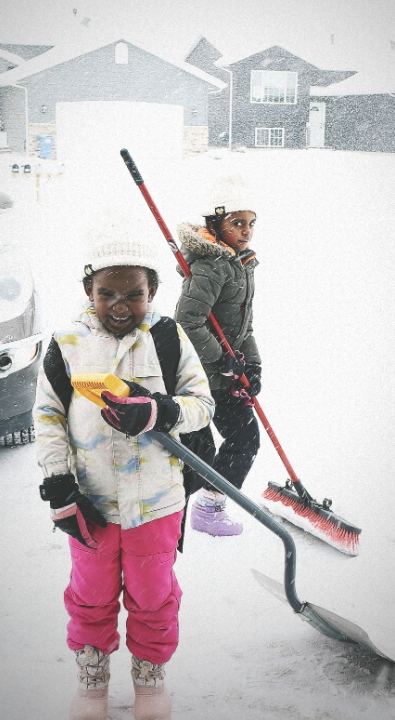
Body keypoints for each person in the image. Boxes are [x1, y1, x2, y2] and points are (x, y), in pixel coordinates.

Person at [34, 229, 214, 720]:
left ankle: (150, 680)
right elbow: (48, 416)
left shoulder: (167, 338)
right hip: (90, 500)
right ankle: (92, 682)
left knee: (153, 596)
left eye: (134, 294)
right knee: (90, 596)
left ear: (152, 291)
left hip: (156, 502)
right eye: (106, 293)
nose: (119, 305)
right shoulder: (67, 343)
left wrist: (159, 410)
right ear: (88, 291)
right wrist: (58, 483)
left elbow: (202, 404)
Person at [175, 174, 261, 537]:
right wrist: (222, 360)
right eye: (237, 222)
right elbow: (187, 321)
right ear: (215, 223)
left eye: (251, 223)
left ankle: (207, 506)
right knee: (220, 445)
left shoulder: (242, 263)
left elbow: (243, 328)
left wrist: (252, 365)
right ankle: (192, 510)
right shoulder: (211, 266)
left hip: (227, 373)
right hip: (202, 376)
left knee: (242, 440)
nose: (246, 230)